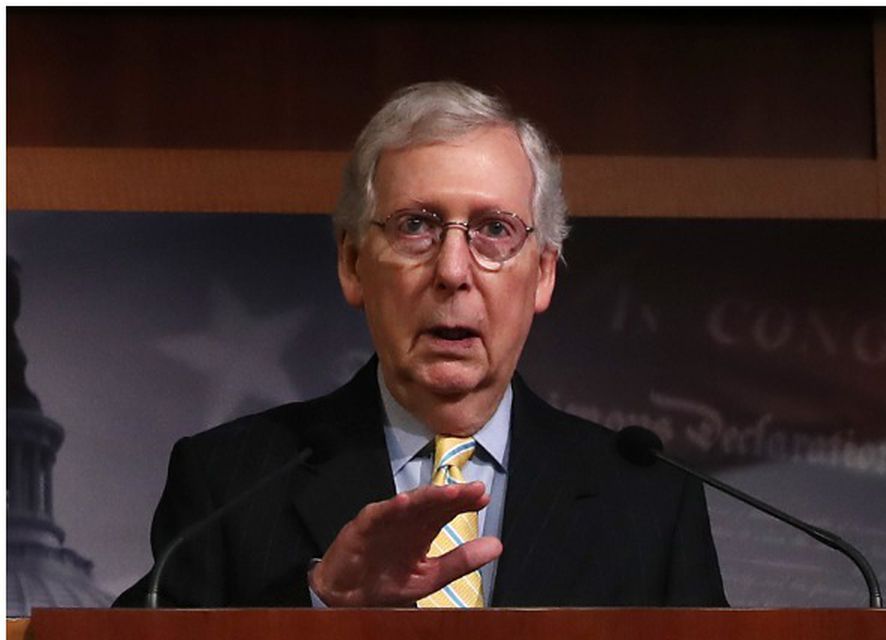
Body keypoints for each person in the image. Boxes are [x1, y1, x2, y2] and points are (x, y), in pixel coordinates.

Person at [117, 81, 725, 609]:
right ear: (354, 264)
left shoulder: (648, 499)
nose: (453, 270)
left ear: (542, 273)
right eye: (416, 225)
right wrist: (317, 604)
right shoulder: (230, 481)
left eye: (494, 230)